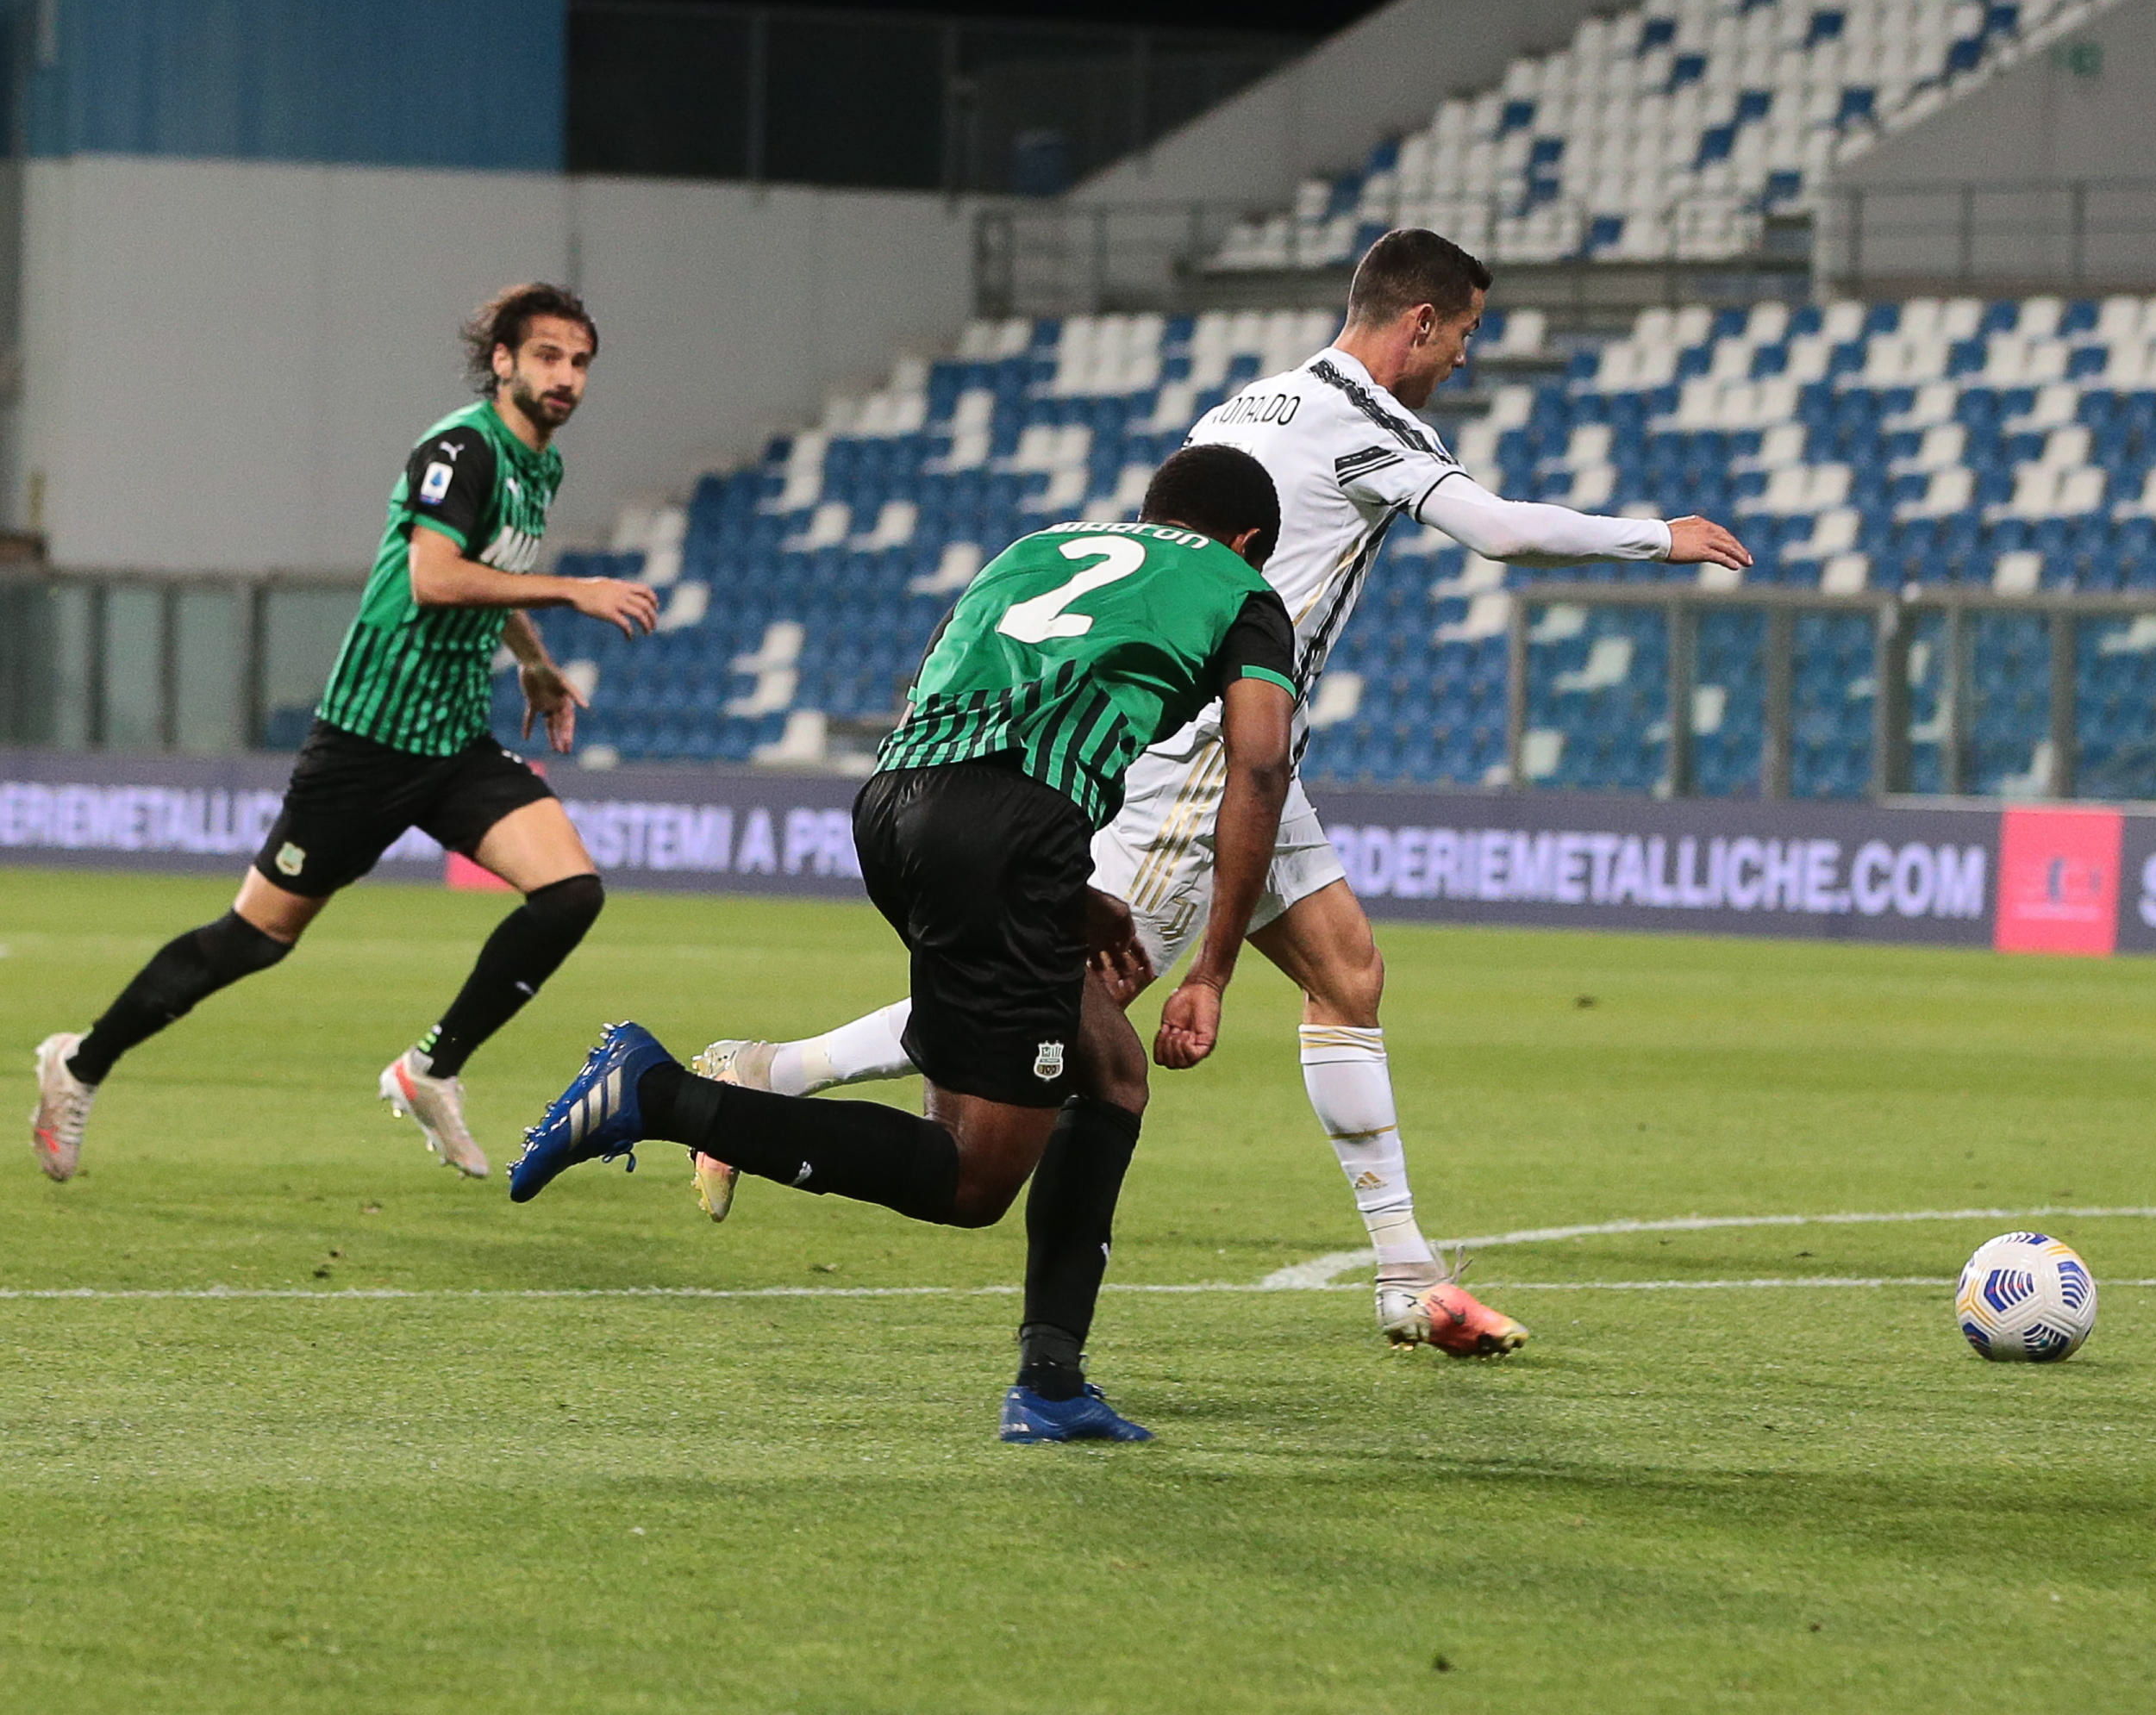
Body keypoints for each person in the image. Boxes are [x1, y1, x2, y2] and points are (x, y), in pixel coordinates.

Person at [682, 228, 1751, 1356]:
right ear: (1421, 322)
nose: (1466, 359)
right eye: (1468, 333)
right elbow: (1496, 532)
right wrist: (1657, 536)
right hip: (1204, 759)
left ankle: (1404, 1275)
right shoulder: (1373, 428)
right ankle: (769, 1072)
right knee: (1078, 999)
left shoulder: (1259, 402)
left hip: (1254, 754)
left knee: (1347, 975)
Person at [508, 445, 1298, 1444]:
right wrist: (1214, 970)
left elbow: (939, 679)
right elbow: (1260, 766)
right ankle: (659, 1095)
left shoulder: (1038, 548)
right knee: (971, 1178)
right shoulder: (1241, 588)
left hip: (894, 806)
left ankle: (1053, 1383)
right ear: (1250, 542)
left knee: (1109, 1069)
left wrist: (1067, 892)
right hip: (1009, 830)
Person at [28, 284, 656, 1182]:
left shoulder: (537, 465)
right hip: (366, 742)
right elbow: (437, 576)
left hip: (451, 741)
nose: (566, 377)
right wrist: (573, 591)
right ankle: (79, 1065)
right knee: (253, 941)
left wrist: (532, 659)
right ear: (505, 362)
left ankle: (430, 1069)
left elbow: (486, 570)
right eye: (548, 356)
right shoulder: (462, 448)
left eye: (581, 361)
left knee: (569, 893)